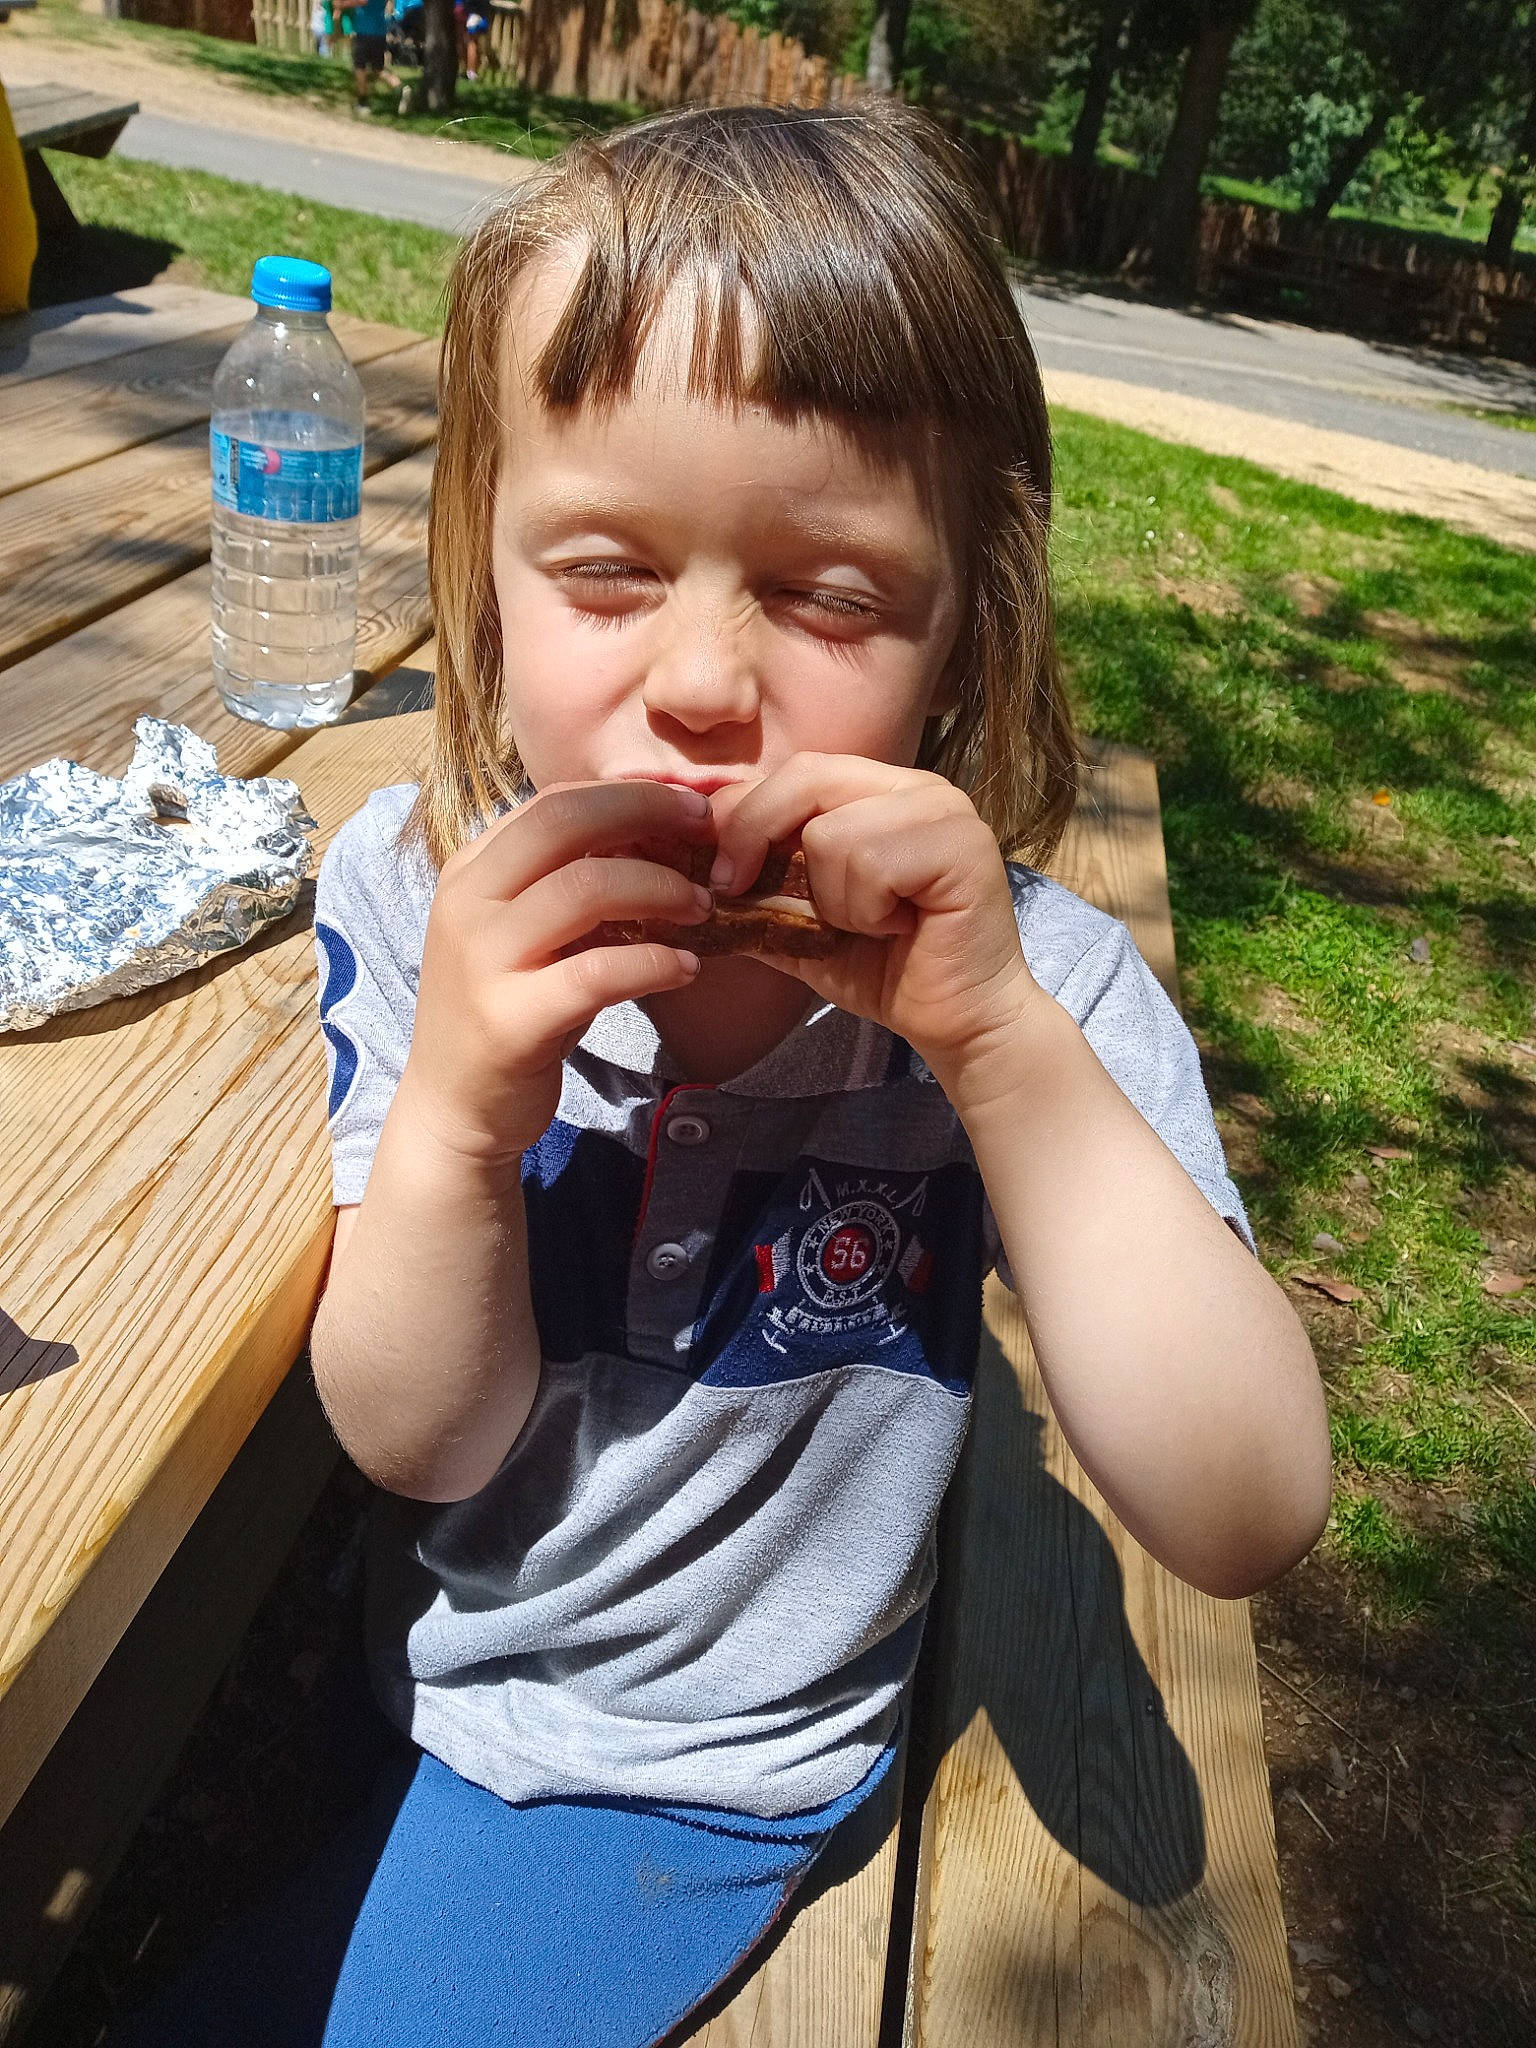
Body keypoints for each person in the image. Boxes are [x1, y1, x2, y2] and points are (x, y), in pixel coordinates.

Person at [109, 103, 1332, 2047]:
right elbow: (418, 1440)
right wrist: (451, 1120)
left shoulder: (1032, 983)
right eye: (605, 571)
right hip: (439, 1629)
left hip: (681, 1768)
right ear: (481, 575)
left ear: (959, 633)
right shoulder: (416, 894)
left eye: (831, 595)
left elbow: (1245, 1504)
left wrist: (999, 1049)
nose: (701, 676)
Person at [348, 0, 401, 112]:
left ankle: (363, 102)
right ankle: (398, 85)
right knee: (378, 68)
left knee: (359, 67)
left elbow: (362, 1)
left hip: (364, 31)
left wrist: (343, 4)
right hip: (380, 32)